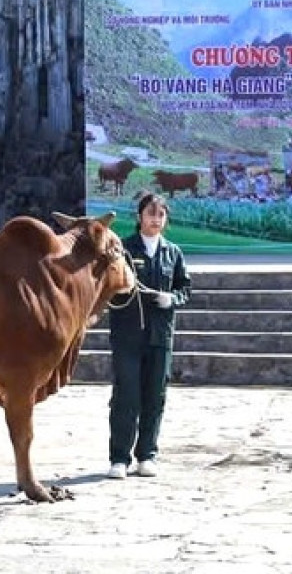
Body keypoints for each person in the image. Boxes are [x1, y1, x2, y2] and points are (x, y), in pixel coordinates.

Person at [106, 193, 191, 479]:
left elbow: (185, 289)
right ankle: (119, 457)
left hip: (160, 335)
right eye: (150, 214)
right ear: (139, 217)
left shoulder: (173, 253)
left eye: (160, 215)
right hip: (128, 334)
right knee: (126, 396)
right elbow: (105, 284)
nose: (155, 220)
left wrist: (172, 298)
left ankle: (147, 455)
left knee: (155, 396)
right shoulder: (123, 250)